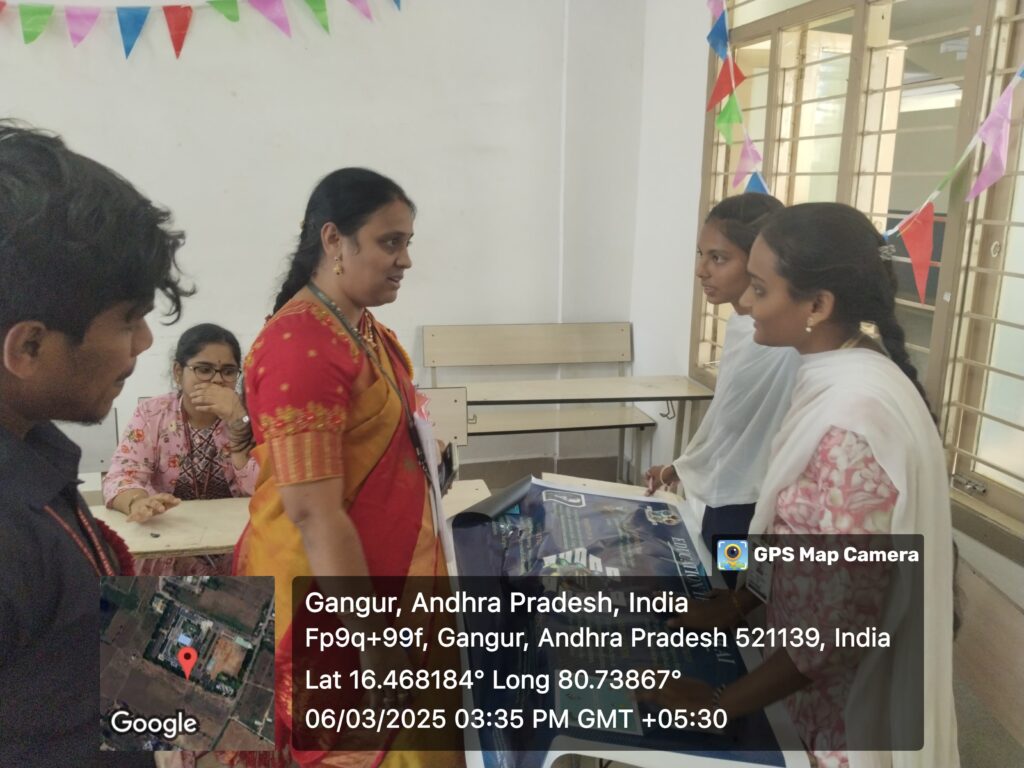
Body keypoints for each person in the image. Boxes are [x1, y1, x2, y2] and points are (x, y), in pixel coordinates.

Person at [643, 203, 959, 767]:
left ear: (817, 305)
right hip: (796, 669)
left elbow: (837, 631)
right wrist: (742, 602)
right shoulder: (841, 371)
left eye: (760, 289)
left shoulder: (850, 427)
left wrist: (717, 705)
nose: (745, 302)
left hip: (838, 717)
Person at [224, 168, 461, 768]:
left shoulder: (363, 329)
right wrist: (374, 640)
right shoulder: (300, 347)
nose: (405, 260)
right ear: (334, 240)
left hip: (394, 578)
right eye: (390, 242)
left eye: (407, 242)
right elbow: (313, 513)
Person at [0, 122, 191, 766]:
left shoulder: (37, 454)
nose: (144, 343)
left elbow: (67, 658)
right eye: (128, 319)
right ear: (29, 346)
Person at [643, 193, 800, 569]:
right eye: (701, 254)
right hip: (722, 498)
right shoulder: (742, 326)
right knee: (715, 579)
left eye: (718, 258)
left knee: (732, 586)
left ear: (760, 262)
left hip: (749, 507)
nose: (701, 270)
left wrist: (683, 467)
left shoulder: (782, 344)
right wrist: (678, 468)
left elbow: (749, 434)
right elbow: (725, 422)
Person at [103, 323, 258, 575]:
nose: (217, 380)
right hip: (169, 546)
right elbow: (121, 477)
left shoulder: (250, 414)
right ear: (178, 372)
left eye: (228, 371)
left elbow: (261, 489)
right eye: (204, 369)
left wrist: (238, 422)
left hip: (235, 544)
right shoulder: (152, 414)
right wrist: (139, 502)